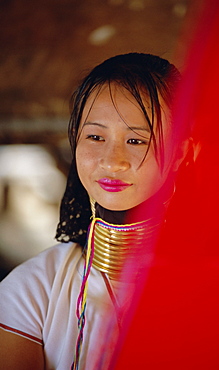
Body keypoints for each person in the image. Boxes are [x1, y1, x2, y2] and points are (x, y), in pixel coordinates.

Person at [0, 53, 191, 369]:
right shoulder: (35, 287)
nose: (112, 160)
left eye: (135, 140)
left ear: (180, 151)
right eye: (95, 136)